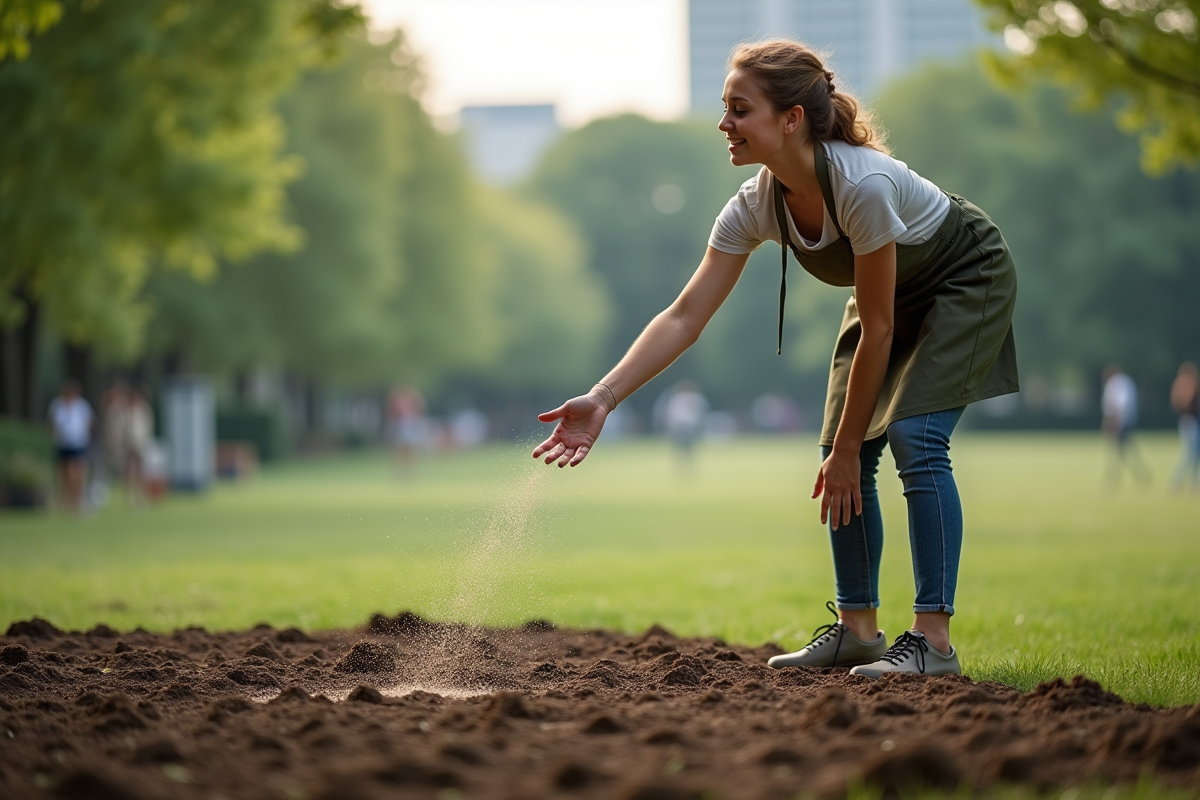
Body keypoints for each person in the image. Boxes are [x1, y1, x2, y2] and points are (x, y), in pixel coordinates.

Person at [532, 40, 1018, 679]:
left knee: (913, 436)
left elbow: (878, 328)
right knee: (838, 451)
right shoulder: (755, 203)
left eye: (740, 108)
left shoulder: (863, 185)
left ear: (791, 118)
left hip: (964, 277)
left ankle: (933, 642)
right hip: (887, 299)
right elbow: (684, 316)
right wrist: (604, 396)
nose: (724, 123)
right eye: (724, 108)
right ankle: (859, 630)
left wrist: (852, 446)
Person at [48, 378, 95, 514]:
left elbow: (89, 423)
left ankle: (77, 501)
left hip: (78, 443)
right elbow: (52, 424)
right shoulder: (57, 406)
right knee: (65, 476)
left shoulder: (82, 406)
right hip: (63, 444)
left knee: (77, 474)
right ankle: (66, 503)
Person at [1101, 364, 1150, 486]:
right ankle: (1141, 477)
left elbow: (1120, 404)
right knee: (1125, 452)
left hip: (1120, 424)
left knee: (1120, 453)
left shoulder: (1116, 383)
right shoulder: (1126, 382)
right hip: (1126, 422)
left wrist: (1115, 422)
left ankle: (1114, 480)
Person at [1169, 361, 1199, 492]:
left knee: (1193, 454)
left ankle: (1192, 483)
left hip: (1191, 421)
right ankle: (1178, 481)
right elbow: (1184, 403)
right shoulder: (1186, 385)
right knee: (1190, 455)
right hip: (1190, 421)